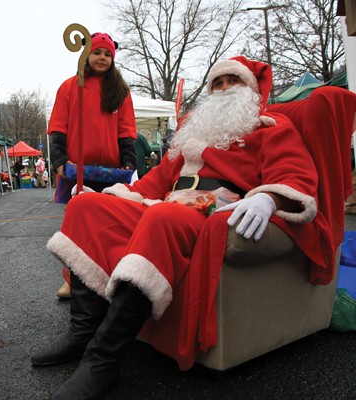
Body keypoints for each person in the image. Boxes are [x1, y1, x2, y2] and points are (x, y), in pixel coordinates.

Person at [32, 56, 320, 399]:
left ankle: (102, 361)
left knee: (161, 218)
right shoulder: (191, 134)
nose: (225, 89)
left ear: (253, 91)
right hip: (167, 202)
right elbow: (154, 182)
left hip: (213, 210)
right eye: (218, 83)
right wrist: (113, 195)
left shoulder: (270, 128)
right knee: (85, 206)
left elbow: (295, 175)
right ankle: (82, 334)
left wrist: (269, 198)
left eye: (234, 81)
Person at [48, 32, 137, 299]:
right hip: (78, 169)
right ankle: (72, 280)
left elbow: (126, 131)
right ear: (87, 55)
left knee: (111, 228)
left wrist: (130, 161)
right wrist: (59, 160)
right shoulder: (69, 86)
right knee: (76, 228)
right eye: (98, 52)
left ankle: (108, 277)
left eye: (108, 54)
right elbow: (58, 127)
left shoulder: (120, 91)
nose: (102, 58)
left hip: (111, 172)